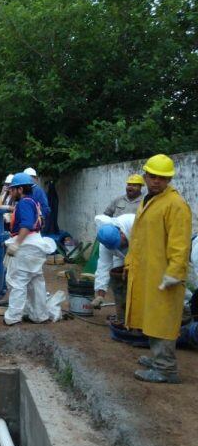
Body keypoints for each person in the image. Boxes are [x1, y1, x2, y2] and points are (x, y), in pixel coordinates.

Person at [125, 154, 192, 384]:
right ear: (145, 176)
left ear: (169, 179)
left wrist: (174, 273)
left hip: (165, 275)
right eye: (152, 176)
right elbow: (140, 236)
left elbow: (180, 244)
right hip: (149, 271)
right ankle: (157, 358)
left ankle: (166, 369)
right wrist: (129, 262)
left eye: (162, 178)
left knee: (163, 320)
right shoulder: (149, 200)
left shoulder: (176, 205)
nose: (156, 181)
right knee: (152, 317)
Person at [3, 173, 57, 325]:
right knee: (36, 282)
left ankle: (13, 317)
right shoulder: (34, 202)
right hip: (36, 245)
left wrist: (16, 243)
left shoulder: (24, 203)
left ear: (20, 189)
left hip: (26, 246)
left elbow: (26, 225)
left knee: (17, 282)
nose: (10, 192)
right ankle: (39, 315)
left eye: (12, 189)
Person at [92, 214, 135, 324]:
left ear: (121, 232)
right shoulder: (106, 244)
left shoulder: (133, 223)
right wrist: (100, 296)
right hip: (124, 257)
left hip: (146, 252)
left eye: (120, 244)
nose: (119, 246)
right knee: (116, 275)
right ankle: (123, 315)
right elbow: (103, 267)